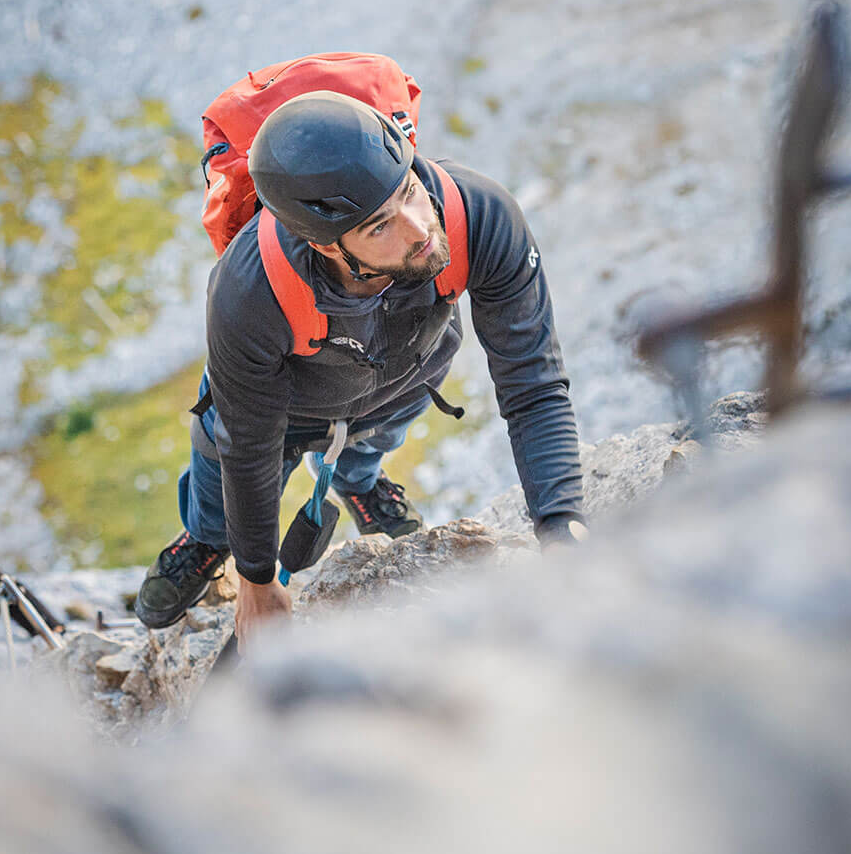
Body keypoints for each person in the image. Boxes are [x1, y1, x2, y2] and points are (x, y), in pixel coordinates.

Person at [135, 90, 588, 642]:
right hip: (285, 410)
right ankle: (206, 542)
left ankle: (361, 486)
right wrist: (256, 581)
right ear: (324, 246)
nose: (420, 228)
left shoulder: (480, 213)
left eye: (410, 193)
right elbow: (247, 444)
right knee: (218, 498)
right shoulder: (248, 293)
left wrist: (563, 528)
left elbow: (533, 385)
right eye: (379, 227)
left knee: (369, 449)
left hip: (404, 380)